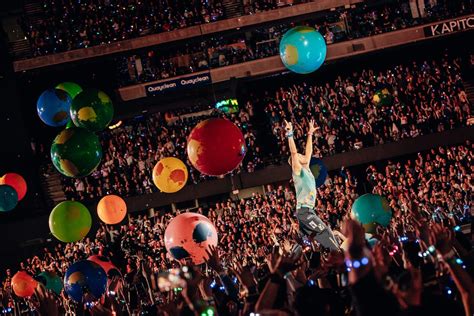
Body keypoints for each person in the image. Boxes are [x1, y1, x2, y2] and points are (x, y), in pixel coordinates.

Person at [284, 119, 340, 251]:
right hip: (304, 211)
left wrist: (309, 133)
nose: (301, 155)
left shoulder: (307, 167)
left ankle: (323, 257)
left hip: (307, 210)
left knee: (316, 236)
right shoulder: (297, 170)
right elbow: (293, 153)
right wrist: (290, 134)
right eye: (298, 155)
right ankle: (338, 255)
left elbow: (308, 152)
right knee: (325, 232)